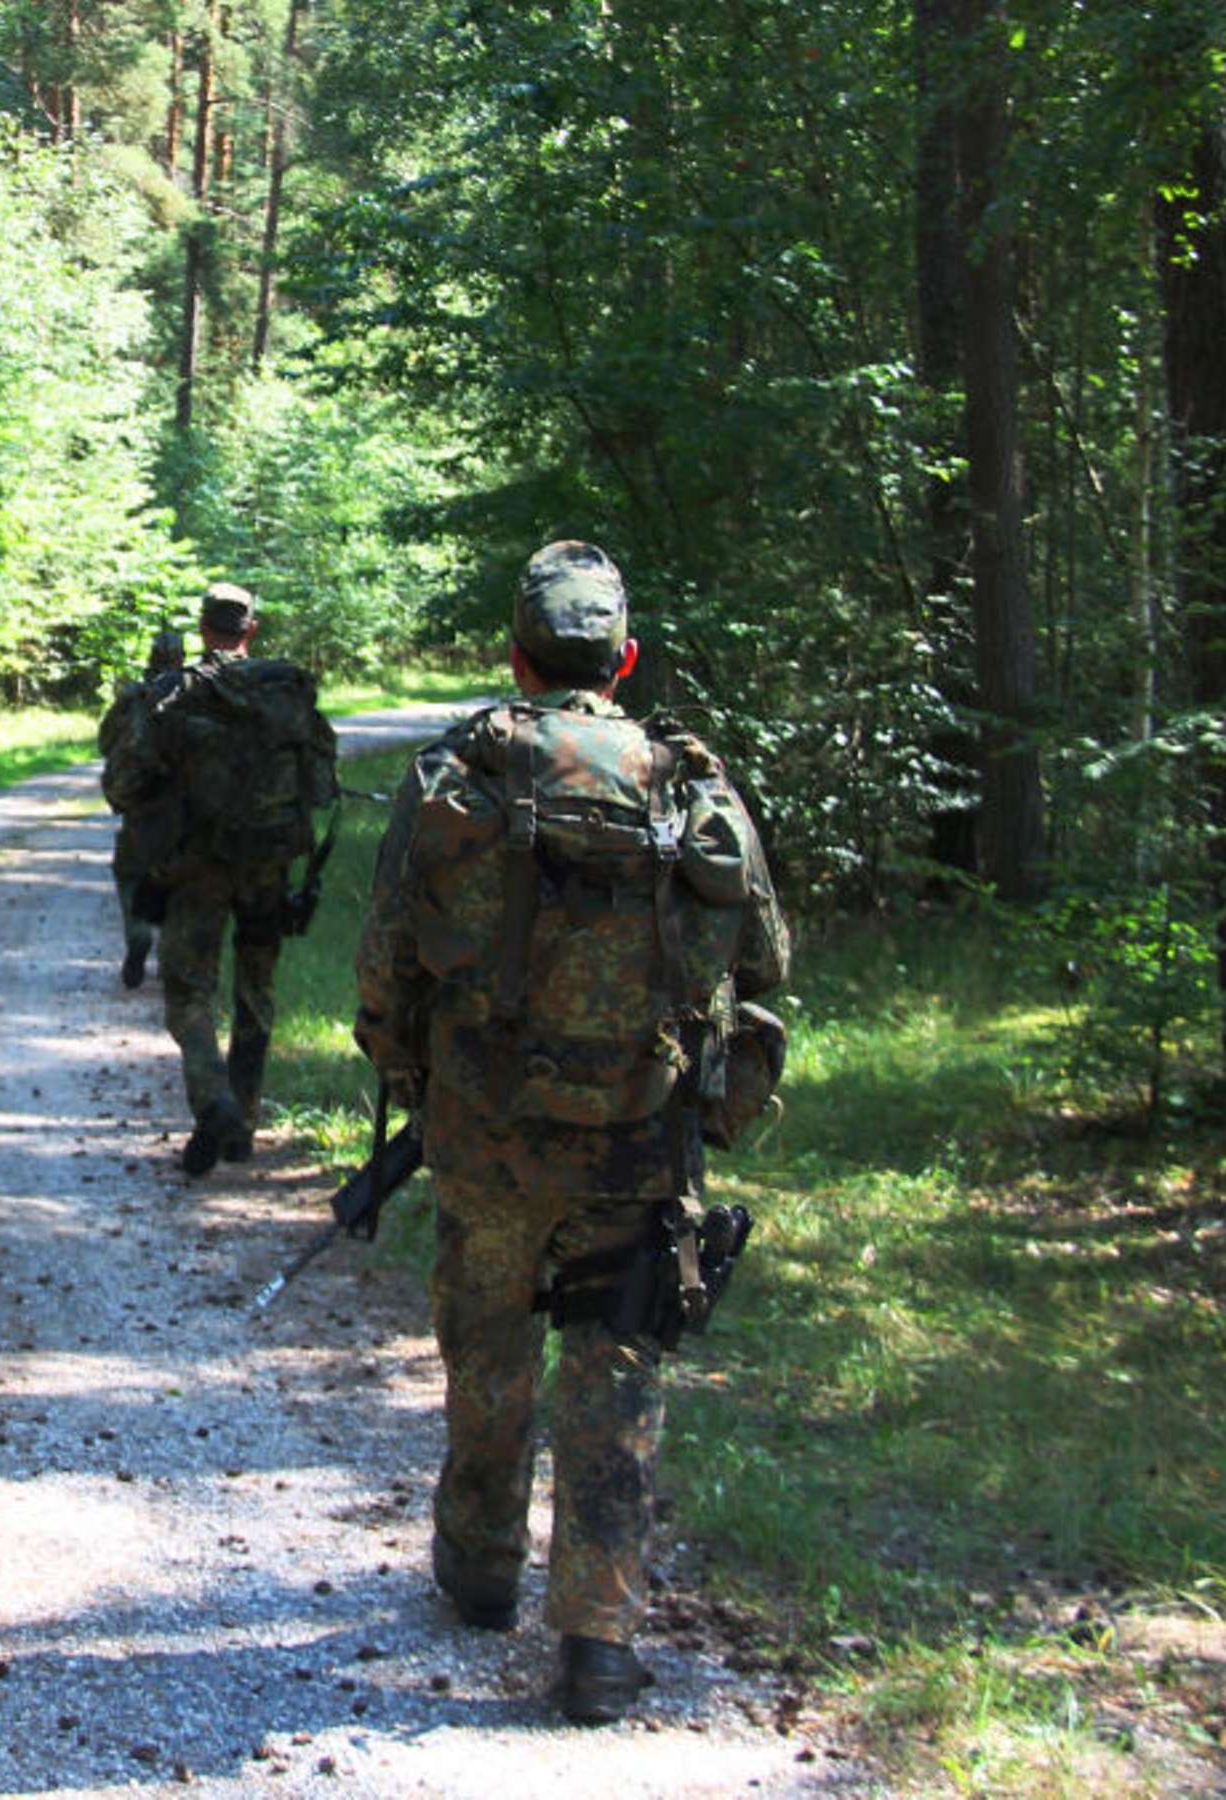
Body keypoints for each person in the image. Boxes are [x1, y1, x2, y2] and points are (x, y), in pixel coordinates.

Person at [350, 541, 790, 1722]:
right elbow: (764, 958)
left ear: (515, 654)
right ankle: (597, 1638)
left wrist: (402, 1067)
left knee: (486, 1348)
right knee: (617, 1364)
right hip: (637, 1138)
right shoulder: (684, 779)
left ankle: (482, 1569)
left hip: (485, 1129)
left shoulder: (464, 773)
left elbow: (388, 950)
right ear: (624, 659)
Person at [106, 582, 338, 1175]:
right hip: (268, 865)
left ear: (202, 628)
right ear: (250, 630)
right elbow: (322, 785)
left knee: (188, 994)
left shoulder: (173, 693)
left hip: (195, 871)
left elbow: (121, 786)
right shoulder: (286, 691)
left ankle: (214, 1102)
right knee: (256, 993)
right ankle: (245, 1123)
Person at [98, 627, 189, 990]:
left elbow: (105, 742)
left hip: (140, 808)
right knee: (184, 882)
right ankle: (176, 955)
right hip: (185, 811)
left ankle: (138, 933)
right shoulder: (196, 691)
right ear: (182, 658)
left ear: (151, 657)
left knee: (131, 874)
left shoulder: (133, 697)